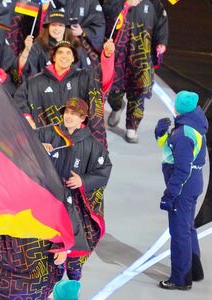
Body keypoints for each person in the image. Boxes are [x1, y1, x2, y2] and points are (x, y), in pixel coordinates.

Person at [39, 98, 112, 282]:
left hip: (73, 206)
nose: (68, 117)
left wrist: (83, 181)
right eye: (67, 112)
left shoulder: (92, 144)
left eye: (74, 114)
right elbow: (22, 142)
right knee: (45, 255)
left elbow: (104, 169)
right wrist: (38, 147)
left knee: (73, 258)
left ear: (83, 118)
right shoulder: (47, 133)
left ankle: (72, 288)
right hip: (46, 200)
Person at [15, 39, 115, 147]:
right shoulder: (35, 81)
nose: (64, 56)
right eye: (60, 52)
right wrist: (27, 119)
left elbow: (102, 78)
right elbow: (19, 99)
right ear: (53, 57)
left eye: (68, 53)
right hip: (46, 142)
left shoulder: (84, 77)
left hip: (76, 143)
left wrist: (107, 57)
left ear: (73, 58)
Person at [155, 91, 207, 290]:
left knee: (179, 233)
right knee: (187, 227)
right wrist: (161, 135)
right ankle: (194, 270)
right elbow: (171, 148)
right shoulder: (191, 124)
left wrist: (170, 194)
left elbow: (182, 168)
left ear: (178, 107)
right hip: (192, 184)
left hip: (183, 188)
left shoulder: (184, 133)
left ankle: (180, 278)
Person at [104, 0, 168, 143]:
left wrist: (161, 43)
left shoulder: (155, 4)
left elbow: (162, 24)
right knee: (114, 91)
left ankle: (132, 127)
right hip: (119, 56)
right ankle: (117, 107)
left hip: (142, 57)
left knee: (138, 94)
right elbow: (106, 15)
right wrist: (125, 6)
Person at [18, 11, 93, 80]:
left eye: (60, 25)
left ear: (66, 28)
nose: (56, 29)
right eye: (53, 25)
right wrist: (26, 50)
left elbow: (86, 74)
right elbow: (23, 68)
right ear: (48, 27)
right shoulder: (38, 45)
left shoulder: (76, 46)